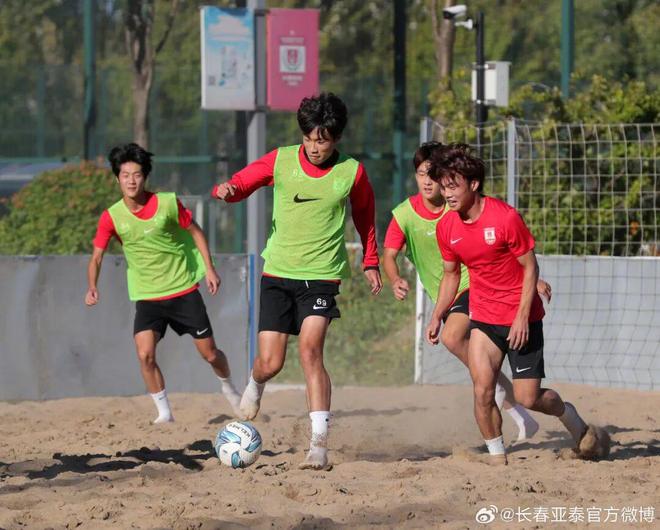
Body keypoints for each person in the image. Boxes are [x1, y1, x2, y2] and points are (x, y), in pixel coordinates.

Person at [213, 93, 382, 470]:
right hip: (277, 273)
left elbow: (366, 216)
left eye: (322, 140)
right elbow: (242, 183)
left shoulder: (351, 172)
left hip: (322, 276)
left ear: (336, 138)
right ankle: (256, 383)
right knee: (270, 363)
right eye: (308, 138)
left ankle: (318, 446)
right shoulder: (281, 159)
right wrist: (228, 191)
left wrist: (371, 261)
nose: (314, 147)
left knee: (310, 350)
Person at [425, 143, 609, 465]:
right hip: (484, 317)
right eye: (444, 186)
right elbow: (451, 275)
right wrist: (437, 315)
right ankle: (498, 461)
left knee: (528, 397)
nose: (447, 194)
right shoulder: (447, 226)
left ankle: (572, 419)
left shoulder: (505, 217)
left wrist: (523, 316)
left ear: (474, 184)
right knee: (483, 390)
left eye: (453, 186)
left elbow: (530, 266)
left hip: (521, 318)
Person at [383, 142, 546, 443]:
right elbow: (389, 255)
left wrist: (534, 282)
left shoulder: (461, 205)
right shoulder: (405, 213)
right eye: (422, 174)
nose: (429, 182)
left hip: (472, 287)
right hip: (447, 292)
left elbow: (503, 253)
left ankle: (501, 394)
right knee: (478, 368)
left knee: (452, 337)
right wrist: (394, 279)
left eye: (434, 176)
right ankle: (517, 412)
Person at [85, 143, 241, 423]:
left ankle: (229, 387)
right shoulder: (111, 217)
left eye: (137, 175)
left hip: (183, 290)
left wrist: (209, 268)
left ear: (145, 177)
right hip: (148, 296)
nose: (131, 181)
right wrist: (92, 286)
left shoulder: (167, 203)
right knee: (145, 355)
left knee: (209, 354)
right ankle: (164, 413)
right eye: (125, 175)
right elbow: (96, 257)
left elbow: (196, 232)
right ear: (117, 179)